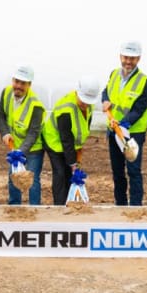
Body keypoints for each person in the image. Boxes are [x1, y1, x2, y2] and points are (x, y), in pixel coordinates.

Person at [101, 40, 147, 206]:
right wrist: (105, 101)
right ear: (120, 56)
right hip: (113, 131)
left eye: (133, 58)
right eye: (126, 57)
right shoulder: (114, 74)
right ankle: (120, 204)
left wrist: (123, 124)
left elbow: (139, 109)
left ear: (139, 59)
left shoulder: (145, 82)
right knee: (117, 172)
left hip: (133, 133)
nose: (128, 61)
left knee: (133, 170)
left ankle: (135, 207)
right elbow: (105, 92)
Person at [42, 76, 101, 205]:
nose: (85, 105)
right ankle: (59, 205)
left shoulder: (88, 107)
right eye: (83, 101)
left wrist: (78, 150)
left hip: (70, 144)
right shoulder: (66, 109)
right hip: (54, 142)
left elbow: (84, 127)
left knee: (69, 174)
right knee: (60, 173)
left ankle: (71, 202)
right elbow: (66, 140)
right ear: (77, 92)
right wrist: (73, 165)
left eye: (88, 102)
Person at [0, 64, 46, 205]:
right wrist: (5, 133)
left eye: (23, 83)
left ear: (29, 85)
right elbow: (0, 116)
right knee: (14, 177)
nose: (18, 86)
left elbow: (33, 133)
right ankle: (14, 208)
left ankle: (35, 209)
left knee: (32, 180)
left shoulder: (36, 105)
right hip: (15, 145)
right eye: (16, 81)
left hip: (33, 148)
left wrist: (20, 152)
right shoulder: (6, 93)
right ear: (13, 80)